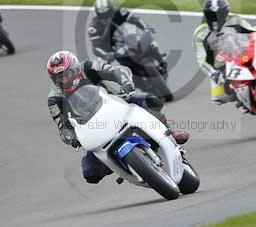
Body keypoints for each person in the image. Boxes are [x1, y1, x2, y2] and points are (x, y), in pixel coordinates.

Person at [46, 51, 189, 184]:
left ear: (76, 69)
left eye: (67, 74)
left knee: (150, 101)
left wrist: (126, 84)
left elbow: (118, 71)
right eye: (58, 78)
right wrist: (72, 137)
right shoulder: (54, 99)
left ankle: (169, 131)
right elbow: (62, 127)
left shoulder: (89, 67)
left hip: (117, 104)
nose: (64, 80)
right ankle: (120, 164)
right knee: (90, 173)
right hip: (93, 129)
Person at [88, 0, 166, 70]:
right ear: (97, 16)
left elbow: (135, 19)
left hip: (126, 38)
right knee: (99, 67)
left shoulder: (120, 12)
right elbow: (95, 47)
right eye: (103, 18)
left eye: (109, 16)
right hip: (110, 48)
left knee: (151, 42)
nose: (107, 20)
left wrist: (146, 27)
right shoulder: (93, 28)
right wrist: (105, 55)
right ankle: (127, 79)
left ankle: (161, 61)